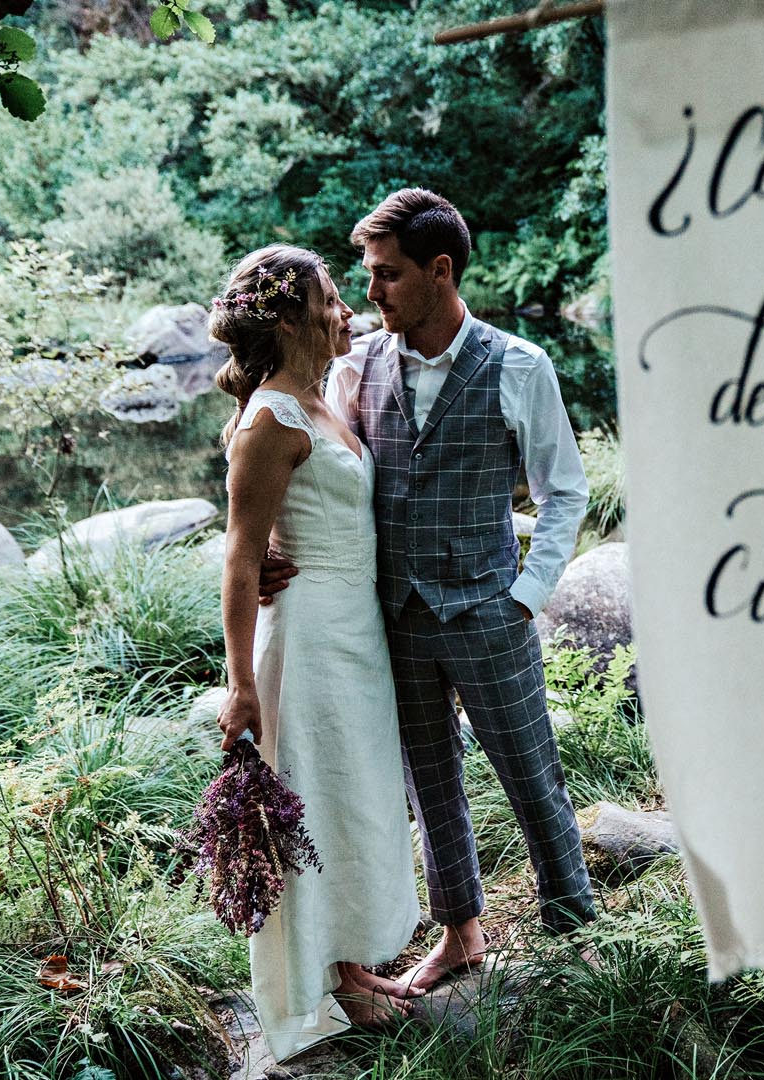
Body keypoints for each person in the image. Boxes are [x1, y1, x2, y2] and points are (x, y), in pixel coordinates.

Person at [266, 188, 596, 992]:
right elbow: (305, 451)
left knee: (531, 772)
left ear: (439, 271)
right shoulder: (356, 367)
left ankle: (576, 930)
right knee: (430, 782)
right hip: (396, 617)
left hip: (490, 612)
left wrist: (527, 593)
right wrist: (271, 538)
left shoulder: (520, 365)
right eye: (367, 275)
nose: (370, 292)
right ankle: (461, 933)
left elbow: (565, 491)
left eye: (387, 274)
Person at [211, 243, 423, 1057]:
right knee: (318, 803)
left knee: (351, 796)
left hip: (354, 630)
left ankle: (353, 962)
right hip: (304, 639)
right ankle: (331, 983)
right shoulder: (272, 418)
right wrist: (240, 685)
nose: (348, 310)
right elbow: (240, 558)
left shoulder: (321, 395)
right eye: (332, 299)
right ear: (293, 320)